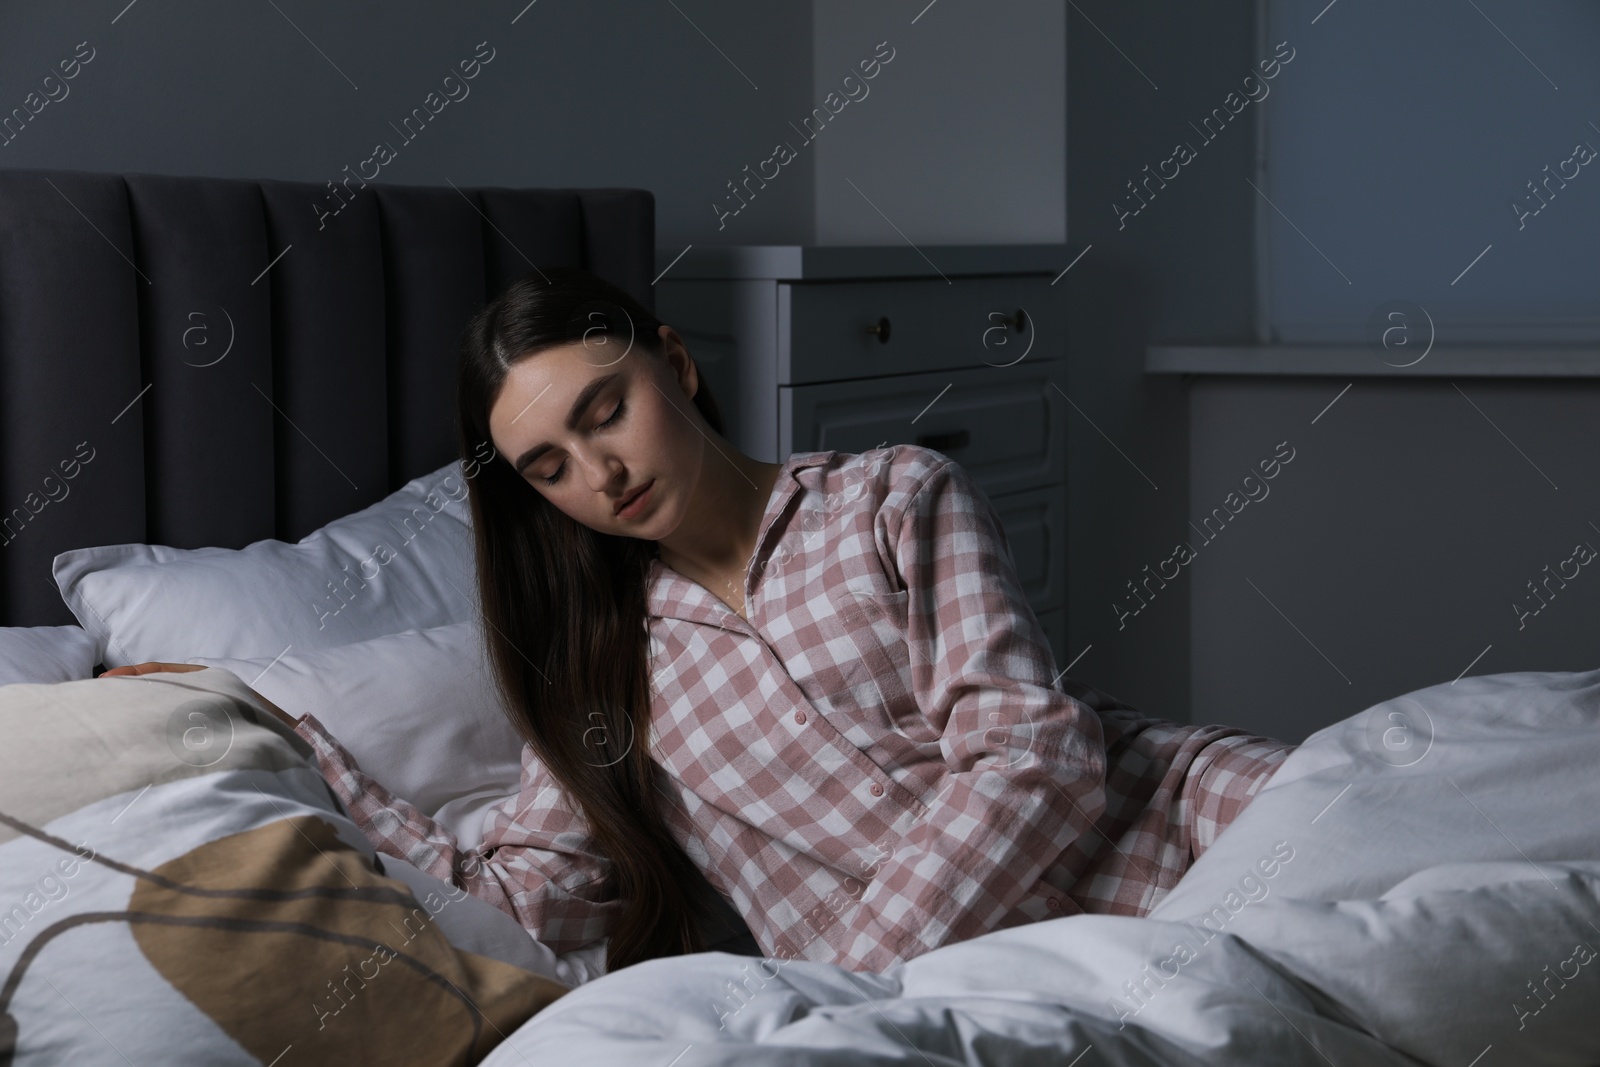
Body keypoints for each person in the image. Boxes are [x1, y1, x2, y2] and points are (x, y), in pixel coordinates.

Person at [106, 267, 1294, 978]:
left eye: (606, 408)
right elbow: (523, 900)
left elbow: (1034, 751)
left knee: (1457, 810)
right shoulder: (600, 676)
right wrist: (276, 726)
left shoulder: (893, 494)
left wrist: (842, 988)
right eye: (549, 463)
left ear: (672, 362)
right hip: (1003, 979)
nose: (600, 471)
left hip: (1192, 821)